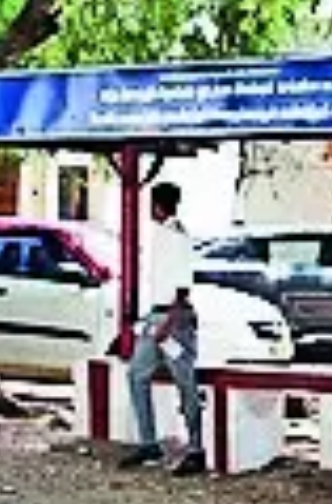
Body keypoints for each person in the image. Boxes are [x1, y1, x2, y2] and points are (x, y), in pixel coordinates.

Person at [120, 181, 205, 476]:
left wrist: (169, 322)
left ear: (157, 205)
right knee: (136, 374)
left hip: (174, 319)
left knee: (185, 382)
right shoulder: (162, 234)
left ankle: (196, 448)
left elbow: (182, 286)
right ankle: (149, 442)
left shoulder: (176, 236)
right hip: (157, 317)